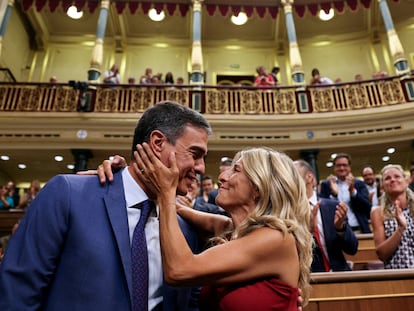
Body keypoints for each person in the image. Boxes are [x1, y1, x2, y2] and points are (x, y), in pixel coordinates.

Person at [0, 101, 212, 311]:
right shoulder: (68, 195)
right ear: (157, 143)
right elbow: (18, 293)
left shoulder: (185, 230)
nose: (201, 167)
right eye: (195, 154)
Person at [131, 145, 312, 309]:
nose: (222, 177)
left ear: (258, 187)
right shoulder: (230, 230)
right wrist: (127, 178)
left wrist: (166, 193)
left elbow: (179, 270)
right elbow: (185, 211)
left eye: (235, 170)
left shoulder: (277, 239)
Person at [294, 160, 358, 272]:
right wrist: (307, 232)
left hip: (341, 277)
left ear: (309, 177)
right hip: (310, 281)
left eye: (292, 174)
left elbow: (352, 249)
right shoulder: (286, 213)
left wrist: (340, 229)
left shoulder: (333, 206)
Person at [370, 164, 414, 269]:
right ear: (382, 186)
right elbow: (382, 254)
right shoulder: (378, 212)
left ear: (406, 181)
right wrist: (400, 229)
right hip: (396, 275)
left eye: (397, 176)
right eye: (387, 178)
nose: (393, 180)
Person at [319, 153, 372, 233]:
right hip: (335, 230)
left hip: (358, 228)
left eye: (344, 165)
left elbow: (367, 208)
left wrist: (352, 191)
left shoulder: (359, 184)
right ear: (334, 168)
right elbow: (322, 209)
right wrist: (334, 195)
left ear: (349, 167)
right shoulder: (327, 184)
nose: (342, 168)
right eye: (338, 165)